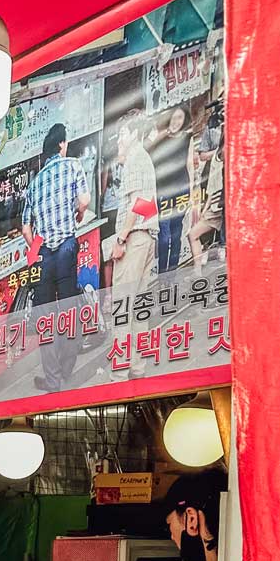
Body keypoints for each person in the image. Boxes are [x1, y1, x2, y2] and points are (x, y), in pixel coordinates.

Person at [21, 122, 90, 391]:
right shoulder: (72, 165)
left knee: (46, 318)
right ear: (61, 144)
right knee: (70, 312)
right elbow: (83, 200)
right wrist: (78, 214)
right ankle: (66, 370)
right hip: (66, 248)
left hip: (45, 256)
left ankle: (52, 380)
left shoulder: (35, 183)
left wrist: (36, 246)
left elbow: (26, 227)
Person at [111, 111, 159, 377]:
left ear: (134, 134)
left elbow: (137, 204)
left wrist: (121, 239)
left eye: (122, 134)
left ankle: (119, 373)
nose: (119, 140)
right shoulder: (143, 159)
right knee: (138, 306)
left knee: (122, 305)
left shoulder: (136, 159)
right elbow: (147, 204)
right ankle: (137, 367)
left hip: (135, 238)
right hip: (146, 236)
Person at [145, 107, 193, 273]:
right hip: (163, 191)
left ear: (185, 119)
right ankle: (162, 274)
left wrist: (192, 191)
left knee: (176, 233)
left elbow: (189, 165)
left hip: (181, 190)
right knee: (163, 235)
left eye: (180, 118)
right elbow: (147, 150)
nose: (176, 121)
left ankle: (173, 273)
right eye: (173, 118)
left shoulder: (188, 138)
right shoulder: (162, 137)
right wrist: (164, 133)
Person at [187, 103, 224, 269]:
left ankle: (197, 273)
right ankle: (198, 272)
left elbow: (214, 187)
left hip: (219, 205)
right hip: (217, 203)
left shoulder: (222, 158)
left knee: (193, 234)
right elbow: (212, 186)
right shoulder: (217, 156)